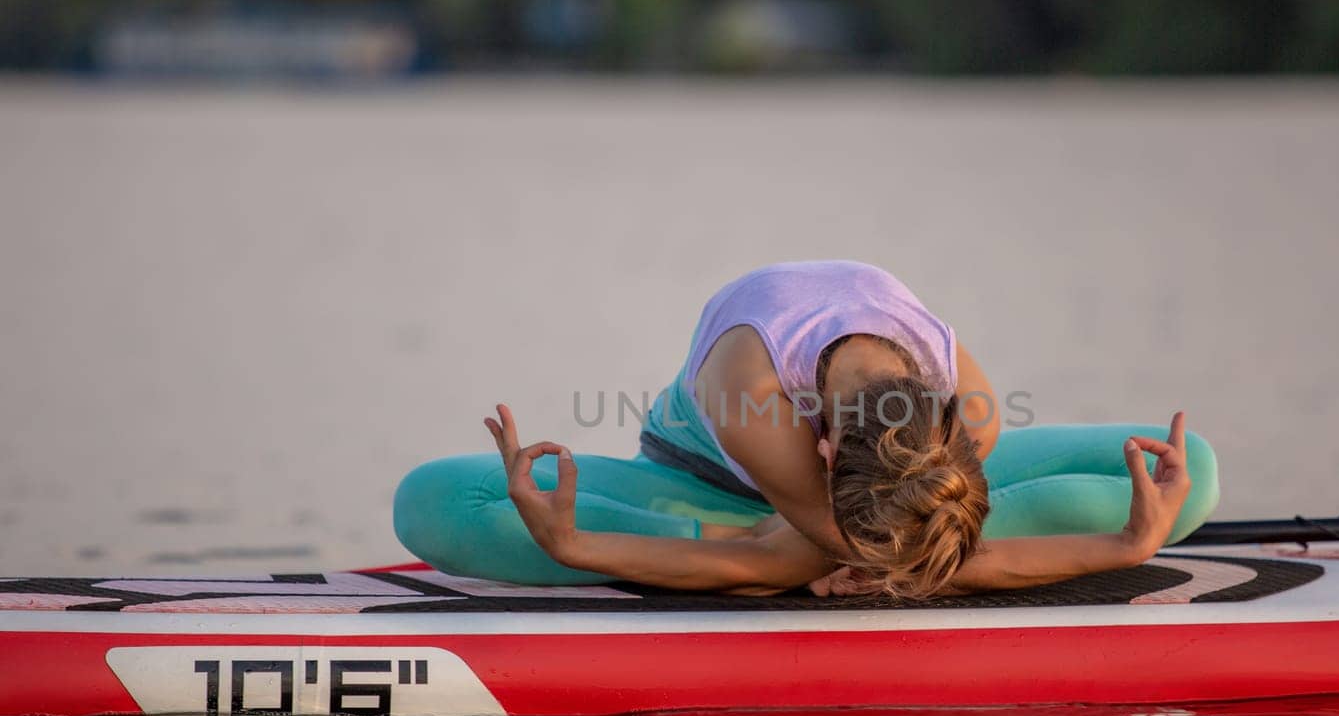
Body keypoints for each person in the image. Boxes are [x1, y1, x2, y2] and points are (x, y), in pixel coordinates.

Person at [393, 260, 1218, 598]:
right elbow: (771, 558)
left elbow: (862, 552)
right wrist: (577, 543)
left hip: (859, 504)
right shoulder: (752, 388)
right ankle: (755, 529)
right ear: (823, 449)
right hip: (701, 486)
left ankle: (875, 536)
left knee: (1190, 468)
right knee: (437, 499)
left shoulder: (971, 408)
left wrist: (1132, 539)